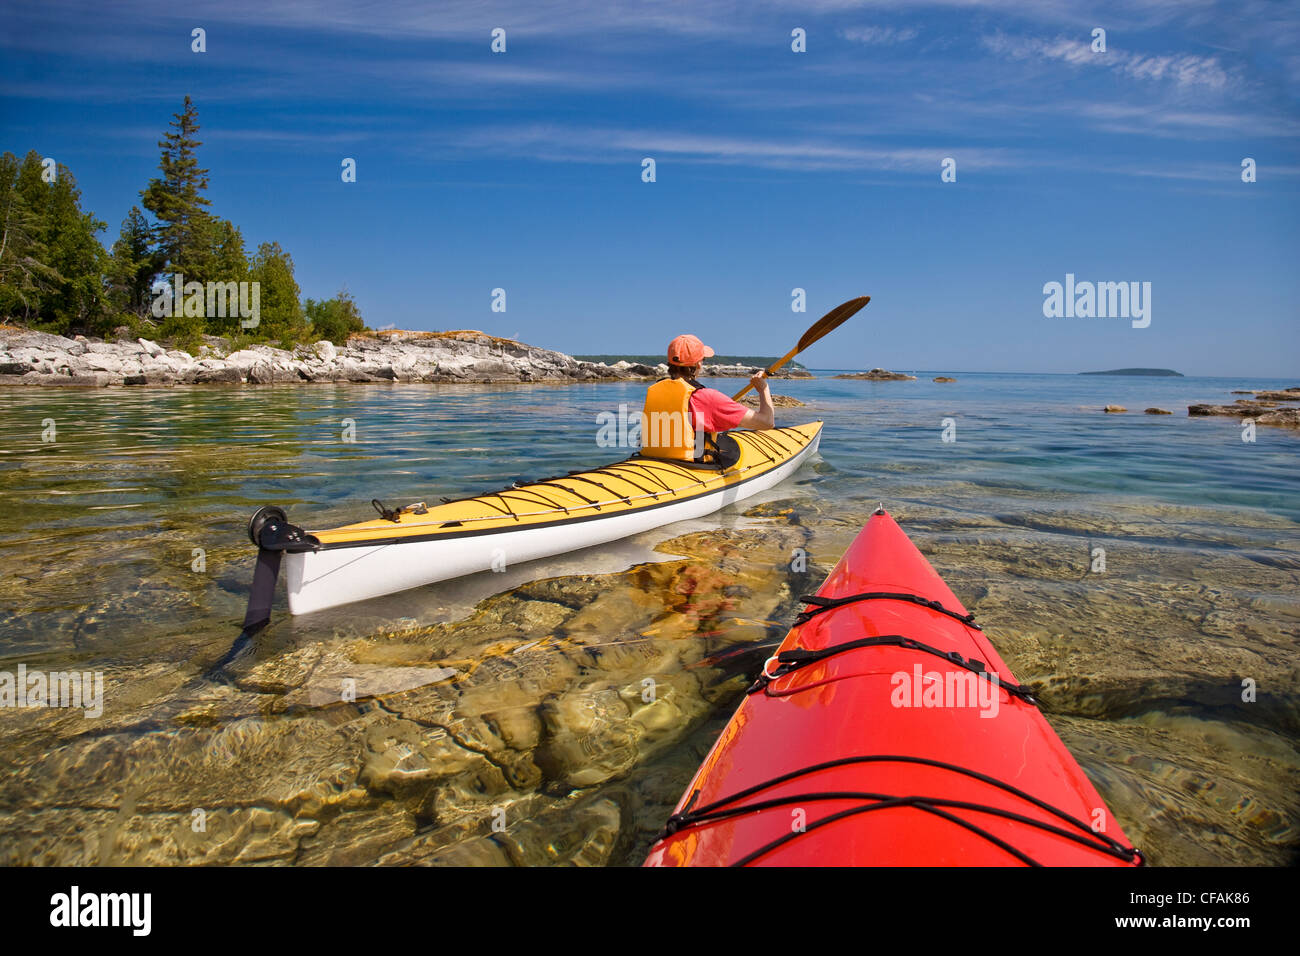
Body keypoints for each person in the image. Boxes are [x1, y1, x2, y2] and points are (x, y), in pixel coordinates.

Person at [640, 333, 776, 463]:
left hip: (653, 459)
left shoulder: (657, 389)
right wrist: (763, 389)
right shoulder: (708, 397)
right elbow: (767, 422)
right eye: (703, 360)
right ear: (698, 364)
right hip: (691, 465)